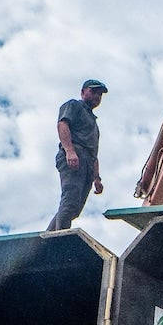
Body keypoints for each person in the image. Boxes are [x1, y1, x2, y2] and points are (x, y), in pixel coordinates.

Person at [47, 79, 107, 231]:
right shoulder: (74, 105)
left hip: (87, 162)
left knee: (74, 209)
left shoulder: (94, 124)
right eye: (93, 91)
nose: (97, 96)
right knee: (70, 201)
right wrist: (70, 151)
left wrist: (97, 178)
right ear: (83, 92)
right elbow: (62, 124)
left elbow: (94, 152)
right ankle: (60, 238)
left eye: (100, 94)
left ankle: (48, 237)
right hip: (75, 155)